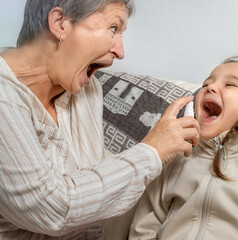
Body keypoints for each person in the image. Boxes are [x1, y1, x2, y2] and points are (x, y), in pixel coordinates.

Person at [0, 0, 199, 239]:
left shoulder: (88, 90)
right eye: (113, 28)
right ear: (59, 23)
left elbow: (90, 213)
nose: (121, 51)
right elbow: (51, 209)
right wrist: (152, 152)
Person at [129, 56, 238, 239]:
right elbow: (145, 224)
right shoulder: (177, 160)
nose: (210, 87)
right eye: (206, 84)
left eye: (230, 85)